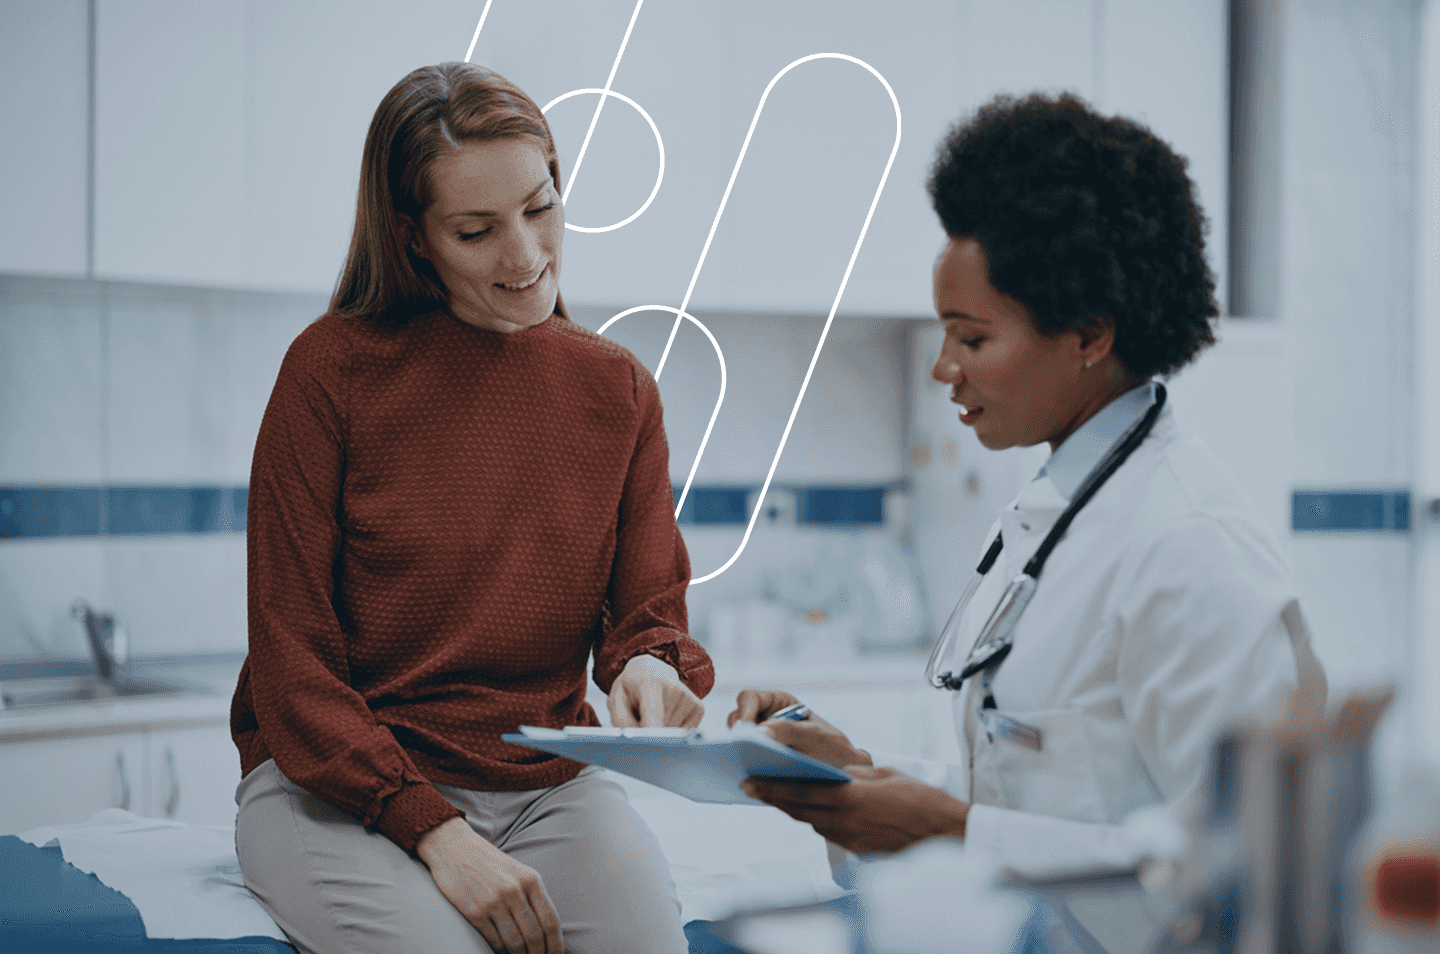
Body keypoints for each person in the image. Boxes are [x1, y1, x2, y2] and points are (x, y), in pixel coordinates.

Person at [730, 92, 1326, 872]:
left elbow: (1250, 861)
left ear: (1088, 333)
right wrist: (857, 775)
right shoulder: (1055, 516)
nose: (944, 369)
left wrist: (949, 832)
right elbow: (1043, 801)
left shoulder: (1191, 549)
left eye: (970, 337)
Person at [230, 62, 712, 954]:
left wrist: (649, 671)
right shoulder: (328, 374)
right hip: (333, 789)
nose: (526, 256)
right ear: (416, 239)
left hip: (546, 786)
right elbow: (290, 668)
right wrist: (435, 831)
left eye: (540, 208)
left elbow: (647, 616)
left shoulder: (619, 392)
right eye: (477, 230)